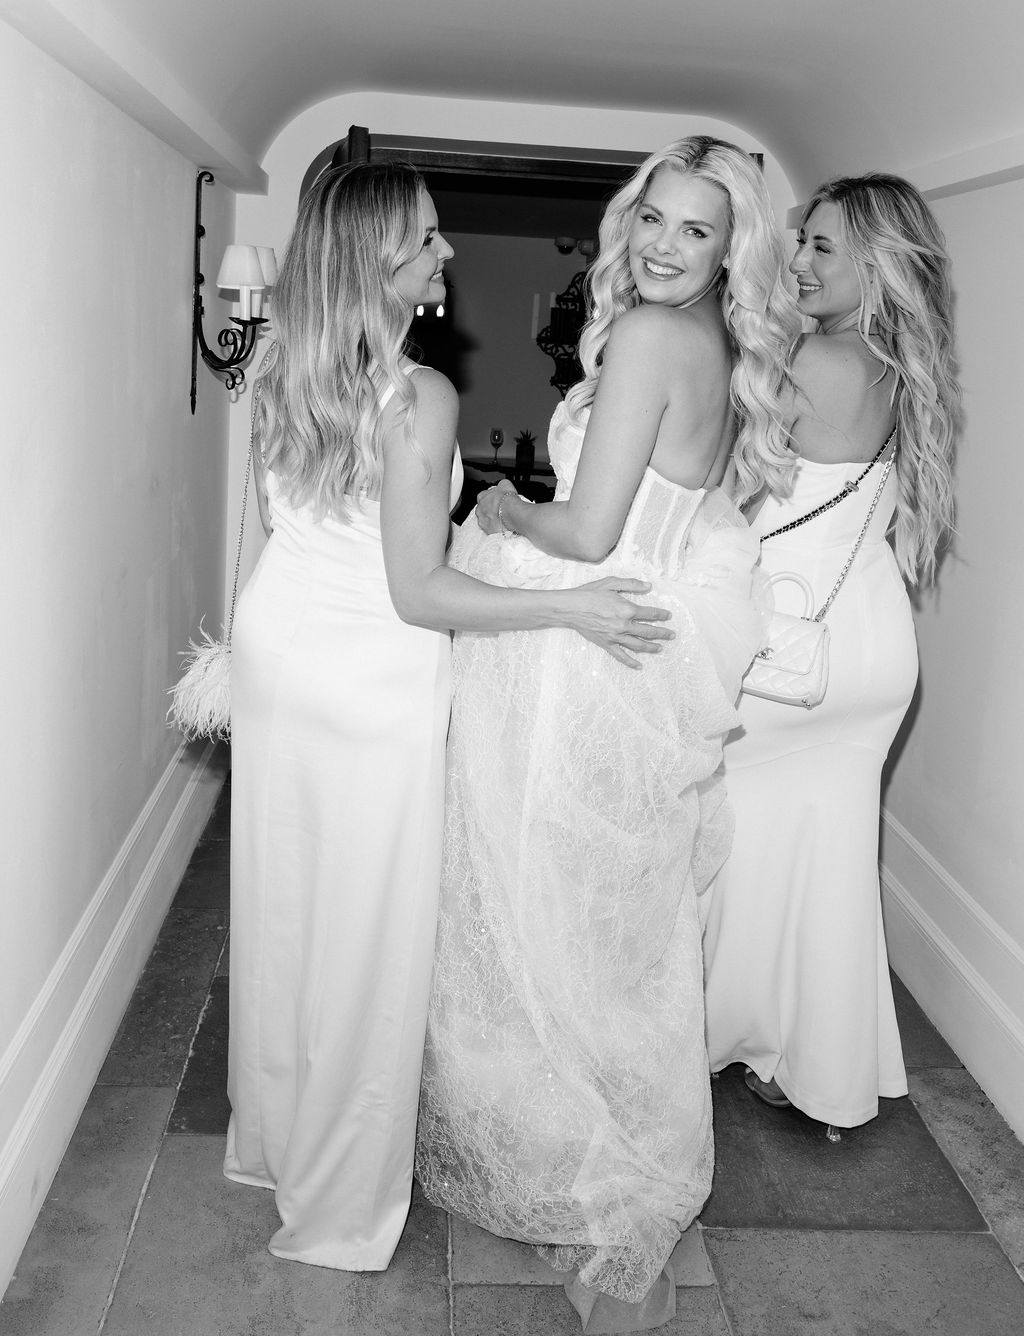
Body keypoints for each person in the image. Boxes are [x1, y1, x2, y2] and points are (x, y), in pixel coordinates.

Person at [224, 162, 673, 1271]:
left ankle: (277, 1142)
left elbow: (265, 527)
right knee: (368, 940)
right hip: (371, 683)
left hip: (280, 654)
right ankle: (334, 1205)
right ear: (378, 258)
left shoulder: (281, 361)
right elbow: (418, 593)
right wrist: (568, 607)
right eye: (426, 238)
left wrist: (233, 660)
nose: (447, 253)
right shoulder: (417, 396)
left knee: (287, 909)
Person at [416, 137, 799, 1331]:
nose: (668, 246)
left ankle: (561, 1138)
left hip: (584, 650)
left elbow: (584, 537)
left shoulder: (641, 339)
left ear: (733, 246)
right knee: (612, 912)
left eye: (698, 230)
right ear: (628, 221)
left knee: (539, 898)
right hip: (635, 650)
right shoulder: (714, 343)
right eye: (654, 221)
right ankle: (606, 1122)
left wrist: (499, 500)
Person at [701, 172, 961, 1136]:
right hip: (870, 645)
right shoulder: (898, 362)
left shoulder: (814, 359)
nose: (800, 261)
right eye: (800, 241)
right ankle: (808, 1065)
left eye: (821, 248)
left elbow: (726, 494)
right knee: (824, 853)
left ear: (877, 264)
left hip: (785, 643)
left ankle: (715, 1032)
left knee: (712, 829)